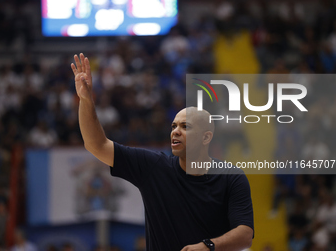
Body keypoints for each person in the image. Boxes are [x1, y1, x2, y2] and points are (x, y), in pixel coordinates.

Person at [71, 53, 254, 251]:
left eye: (185, 126)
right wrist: (85, 99)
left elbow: (245, 234)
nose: (176, 131)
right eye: (174, 126)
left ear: (206, 137)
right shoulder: (153, 167)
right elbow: (96, 145)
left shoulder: (231, 177)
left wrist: (207, 246)